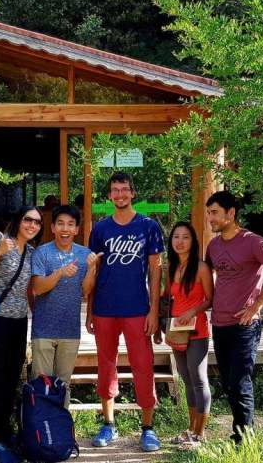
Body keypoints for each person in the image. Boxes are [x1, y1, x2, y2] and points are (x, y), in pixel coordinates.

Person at [86, 172, 165, 452]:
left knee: (143, 365)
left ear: (133, 193)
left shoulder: (148, 226)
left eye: (124, 189)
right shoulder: (100, 229)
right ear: (109, 195)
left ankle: (148, 427)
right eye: (115, 190)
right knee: (106, 365)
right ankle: (108, 423)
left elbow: (155, 271)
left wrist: (154, 311)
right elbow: (94, 270)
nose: (120, 194)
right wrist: (90, 311)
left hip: (137, 308)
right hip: (105, 308)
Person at [204, 191, 263, 444]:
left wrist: (257, 305)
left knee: (239, 381)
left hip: (244, 325)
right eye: (208, 213)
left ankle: (244, 439)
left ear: (231, 213)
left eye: (215, 212)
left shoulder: (253, 242)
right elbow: (209, 277)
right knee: (228, 383)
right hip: (219, 323)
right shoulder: (214, 246)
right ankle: (240, 431)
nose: (210, 218)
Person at [0, 206, 43, 463]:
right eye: (28, 219)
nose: (32, 225)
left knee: (12, 378)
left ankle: (5, 432)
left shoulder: (32, 252)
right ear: (18, 221)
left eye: (37, 222)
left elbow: (30, 290)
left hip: (19, 322)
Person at [29, 204, 100, 406]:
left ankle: (61, 423)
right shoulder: (42, 253)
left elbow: (85, 290)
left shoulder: (85, 254)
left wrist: (91, 269)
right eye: (60, 223)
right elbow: (38, 288)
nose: (65, 229)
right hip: (43, 330)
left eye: (70, 224)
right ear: (52, 227)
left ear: (76, 229)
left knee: (63, 385)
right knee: (41, 384)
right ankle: (41, 425)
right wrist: (60, 272)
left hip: (70, 330)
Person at [165, 222, 214, 449]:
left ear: (193, 241)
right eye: (176, 237)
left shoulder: (201, 267)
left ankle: (200, 434)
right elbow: (168, 298)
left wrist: (192, 311)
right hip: (177, 331)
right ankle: (191, 429)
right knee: (186, 379)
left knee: (199, 379)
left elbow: (210, 299)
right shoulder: (172, 267)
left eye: (185, 237)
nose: (180, 241)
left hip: (197, 330)